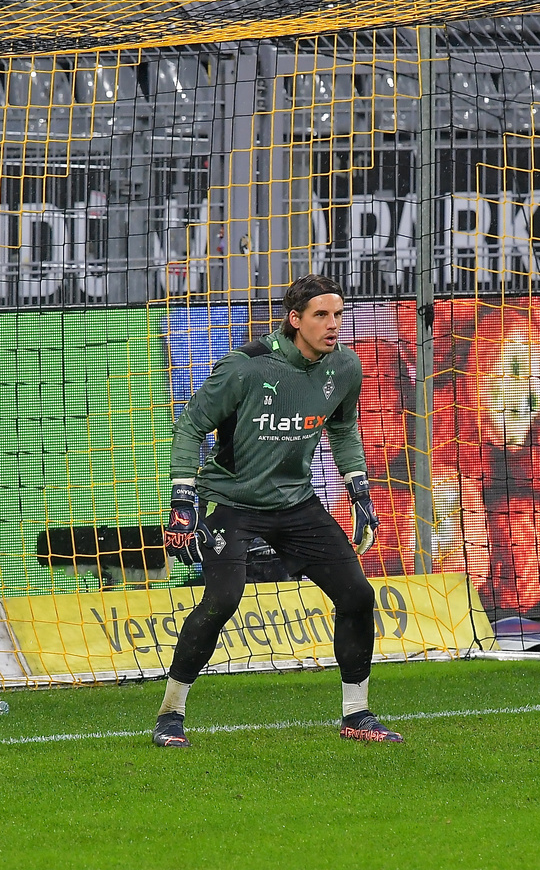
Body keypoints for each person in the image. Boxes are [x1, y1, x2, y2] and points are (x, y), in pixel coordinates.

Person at [154, 274, 401, 748]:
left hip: (297, 504)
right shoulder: (245, 368)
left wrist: (359, 488)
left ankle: (357, 715)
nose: (334, 326)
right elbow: (189, 427)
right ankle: (171, 714)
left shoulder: (345, 367)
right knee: (223, 601)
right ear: (295, 320)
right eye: (321, 316)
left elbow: (344, 429)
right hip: (232, 503)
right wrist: (184, 499)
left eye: (338, 315)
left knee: (357, 595)